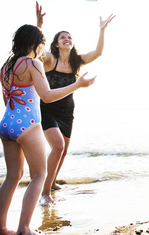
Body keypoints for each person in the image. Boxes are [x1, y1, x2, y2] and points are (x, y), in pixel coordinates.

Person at [0, 25, 94, 235]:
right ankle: (24, 228)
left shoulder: (5, 66)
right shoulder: (33, 64)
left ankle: (1, 227)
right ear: (37, 44)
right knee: (39, 175)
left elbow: (8, 98)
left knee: (12, 176)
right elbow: (47, 95)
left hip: (7, 123)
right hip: (28, 125)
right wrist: (78, 85)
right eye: (41, 44)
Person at [35, 2, 115, 205]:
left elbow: (97, 53)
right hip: (48, 109)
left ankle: (52, 182)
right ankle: (45, 194)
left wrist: (102, 30)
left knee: (63, 151)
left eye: (69, 37)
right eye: (63, 37)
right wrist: (39, 24)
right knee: (58, 146)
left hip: (67, 112)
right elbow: (37, 47)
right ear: (56, 43)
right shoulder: (49, 60)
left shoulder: (76, 61)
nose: (67, 39)